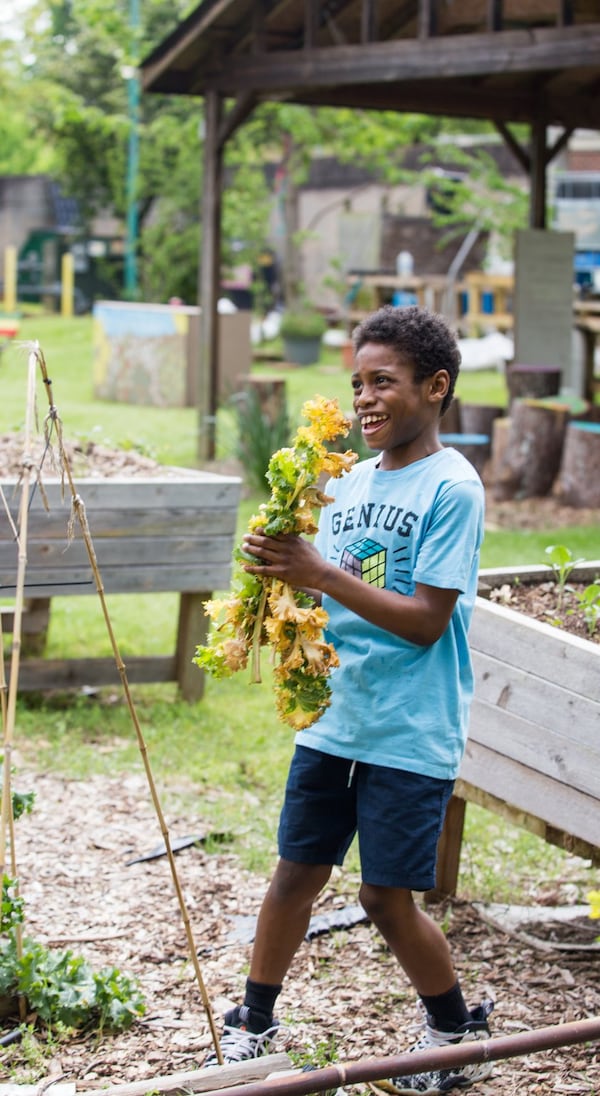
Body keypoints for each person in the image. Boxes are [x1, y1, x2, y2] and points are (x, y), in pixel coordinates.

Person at [205, 305, 493, 1094]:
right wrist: (273, 584)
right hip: (337, 718)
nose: (365, 399)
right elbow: (319, 597)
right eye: (357, 383)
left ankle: (450, 1030)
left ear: (436, 388)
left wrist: (321, 573)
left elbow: (428, 621)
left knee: (382, 896)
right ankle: (252, 1025)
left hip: (409, 727)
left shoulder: (453, 488)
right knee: (295, 874)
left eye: (384, 382)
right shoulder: (350, 482)